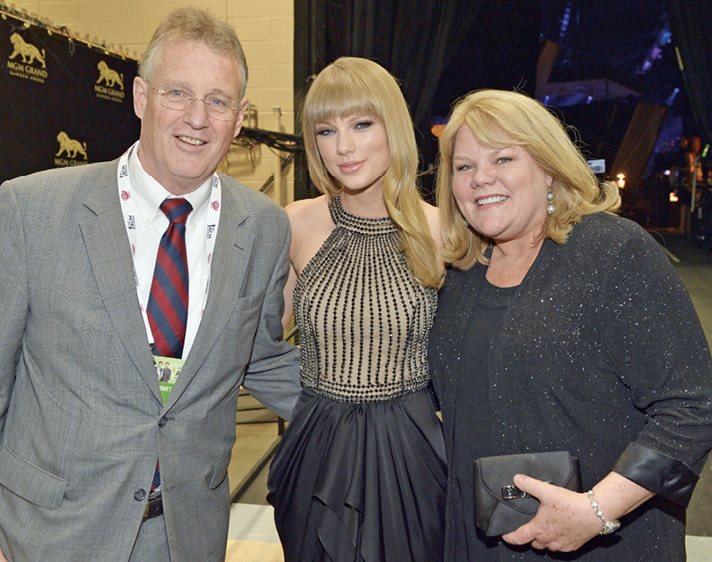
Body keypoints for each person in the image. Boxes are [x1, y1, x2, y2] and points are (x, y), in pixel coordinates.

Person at [0, 7, 300, 562]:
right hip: (52, 532)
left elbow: (258, 356)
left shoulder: (262, 227)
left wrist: (380, 412)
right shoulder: (30, 210)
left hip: (186, 534)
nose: (197, 118)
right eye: (177, 93)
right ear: (140, 97)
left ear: (239, 119)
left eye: (218, 101)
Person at [429, 89, 712, 561]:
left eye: (503, 158)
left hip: (602, 543)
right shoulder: (463, 273)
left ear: (548, 168)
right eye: (464, 166)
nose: (481, 178)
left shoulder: (612, 253)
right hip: (481, 541)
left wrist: (596, 511)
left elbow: (694, 405)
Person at [267, 57, 447, 561]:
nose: (342, 147)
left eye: (361, 124)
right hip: (317, 453)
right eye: (326, 130)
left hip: (410, 454)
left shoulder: (443, 233)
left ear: (393, 126)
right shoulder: (296, 224)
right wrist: (308, 405)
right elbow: (256, 345)